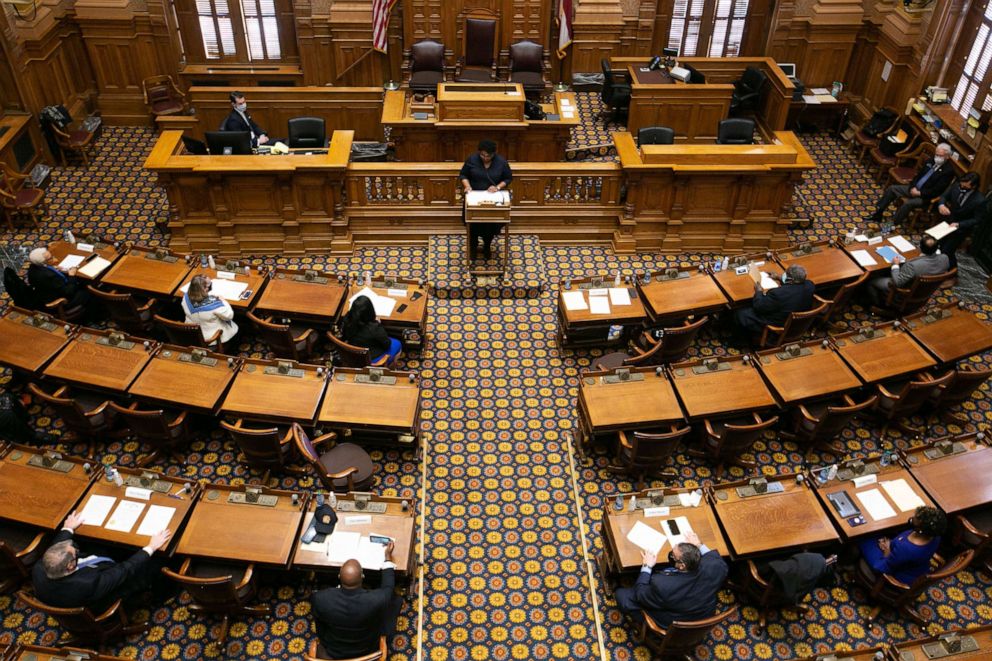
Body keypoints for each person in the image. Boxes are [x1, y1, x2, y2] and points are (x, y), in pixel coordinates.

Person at [32, 510, 172, 612]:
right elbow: (125, 569)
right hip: (108, 592)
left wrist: (68, 527)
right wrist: (151, 547)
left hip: (91, 572)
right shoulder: (88, 584)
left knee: (99, 540)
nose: (75, 548)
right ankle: (159, 597)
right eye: (74, 551)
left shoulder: (41, 567)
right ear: (70, 566)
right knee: (157, 562)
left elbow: (55, 550)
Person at [614, 531, 728, 626]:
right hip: (702, 614)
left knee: (622, 595)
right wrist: (698, 544)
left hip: (675, 621)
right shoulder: (717, 567)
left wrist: (647, 566)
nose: (671, 555)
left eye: (673, 555)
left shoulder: (663, 586)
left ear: (682, 565)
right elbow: (714, 558)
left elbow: (640, 593)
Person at [310, 542, 401, 658]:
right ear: (363, 577)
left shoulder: (320, 598)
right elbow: (388, 588)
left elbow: (320, 625)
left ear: (339, 577)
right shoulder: (376, 600)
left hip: (334, 650)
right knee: (396, 602)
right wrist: (388, 557)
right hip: (368, 649)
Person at [866, 143, 955, 226]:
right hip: (914, 189)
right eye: (936, 154)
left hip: (925, 197)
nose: (937, 157)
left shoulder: (948, 171)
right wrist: (913, 187)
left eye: (940, 156)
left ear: (947, 156)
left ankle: (892, 224)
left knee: (908, 204)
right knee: (892, 189)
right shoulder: (931, 161)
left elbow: (937, 190)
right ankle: (878, 214)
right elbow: (918, 175)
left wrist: (920, 193)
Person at [859, 505, 946, 585]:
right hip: (912, 564)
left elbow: (883, 567)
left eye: (914, 519)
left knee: (863, 537)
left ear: (920, 529)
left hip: (897, 573)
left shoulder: (906, 549)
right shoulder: (935, 536)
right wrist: (892, 544)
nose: (912, 518)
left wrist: (887, 551)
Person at [459, 139, 512, 259]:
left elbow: (508, 178)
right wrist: (467, 186)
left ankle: (487, 245)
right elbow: (463, 175)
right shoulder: (472, 159)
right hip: (474, 197)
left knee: (489, 226)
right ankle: (473, 247)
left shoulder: (501, 162)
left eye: (488, 155)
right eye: (482, 155)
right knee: (472, 225)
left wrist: (498, 187)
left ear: (494, 154)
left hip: (492, 199)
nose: (485, 158)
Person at [733, 264, 815, 340]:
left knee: (741, 313)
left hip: (776, 324)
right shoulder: (810, 285)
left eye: (785, 274)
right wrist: (779, 278)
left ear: (790, 280)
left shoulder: (778, 294)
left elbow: (758, 307)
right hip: (796, 322)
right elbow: (793, 287)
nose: (783, 275)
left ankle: (741, 339)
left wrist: (758, 292)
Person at [867, 235, 949, 306]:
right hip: (926, 292)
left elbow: (897, 282)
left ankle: (878, 305)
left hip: (905, 293)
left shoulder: (912, 266)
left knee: (871, 282)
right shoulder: (945, 258)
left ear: (920, 248)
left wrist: (895, 265)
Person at [936, 172, 987, 270]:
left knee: (947, 252)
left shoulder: (980, 200)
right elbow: (943, 197)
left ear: (974, 186)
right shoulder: (956, 186)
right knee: (941, 246)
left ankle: (952, 273)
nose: (962, 187)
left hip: (961, 229)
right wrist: (941, 205)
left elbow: (977, 219)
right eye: (961, 184)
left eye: (965, 186)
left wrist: (959, 224)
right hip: (947, 223)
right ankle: (941, 267)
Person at [340, 295, 402, 365]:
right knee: (398, 343)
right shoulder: (374, 327)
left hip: (353, 350)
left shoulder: (346, 318)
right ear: (370, 311)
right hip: (371, 357)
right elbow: (387, 344)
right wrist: (378, 324)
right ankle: (392, 367)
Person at [181, 274, 239, 345]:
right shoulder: (214, 305)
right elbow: (229, 316)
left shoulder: (185, 297)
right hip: (211, 337)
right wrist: (223, 300)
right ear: (205, 289)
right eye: (209, 286)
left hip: (192, 332)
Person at [26, 247, 91, 309]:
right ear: (43, 262)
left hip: (44, 294)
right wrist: (71, 276)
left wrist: (51, 268)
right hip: (62, 300)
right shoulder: (50, 276)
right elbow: (68, 292)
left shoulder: (32, 267)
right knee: (87, 289)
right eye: (50, 258)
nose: (54, 258)